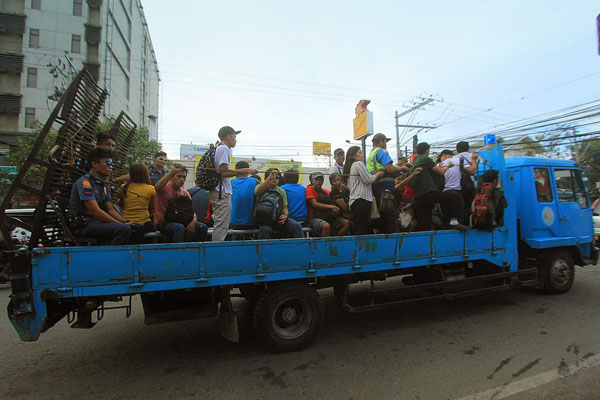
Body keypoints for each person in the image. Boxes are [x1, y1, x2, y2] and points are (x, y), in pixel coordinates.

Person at [69, 148, 137, 245]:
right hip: (85, 224)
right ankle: (113, 258)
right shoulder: (85, 183)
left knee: (136, 227)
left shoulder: (104, 184)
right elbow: (95, 211)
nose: (111, 167)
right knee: (123, 229)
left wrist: (126, 221)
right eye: (108, 164)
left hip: (98, 222)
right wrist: (120, 224)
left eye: (112, 164)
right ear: (94, 164)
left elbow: (110, 210)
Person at [211, 126, 258, 241]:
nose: (235, 139)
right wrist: (245, 170)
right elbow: (224, 172)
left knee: (221, 226)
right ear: (228, 136)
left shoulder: (219, 148)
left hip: (219, 191)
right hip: (222, 192)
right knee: (221, 227)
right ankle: (216, 253)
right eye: (234, 136)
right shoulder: (224, 148)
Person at [410, 142, 468, 232]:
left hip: (418, 196)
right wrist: (448, 166)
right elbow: (441, 172)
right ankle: (454, 221)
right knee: (455, 197)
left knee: (425, 222)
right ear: (427, 150)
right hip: (429, 192)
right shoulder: (425, 159)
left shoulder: (415, 161)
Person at [367, 133, 409, 233]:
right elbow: (389, 169)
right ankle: (395, 244)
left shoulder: (370, 155)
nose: (385, 144)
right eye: (385, 141)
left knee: (382, 219)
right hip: (386, 189)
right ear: (381, 141)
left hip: (376, 188)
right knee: (391, 219)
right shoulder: (382, 151)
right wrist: (402, 168)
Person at [154, 164, 208, 243]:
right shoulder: (164, 189)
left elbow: (192, 211)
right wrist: (171, 171)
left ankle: (197, 253)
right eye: (179, 176)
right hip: (164, 223)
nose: (182, 179)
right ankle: (178, 253)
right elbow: (157, 188)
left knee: (202, 227)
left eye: (184, 177)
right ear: (172, 177)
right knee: (179, 228)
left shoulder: (185, 193)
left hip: (182, 222)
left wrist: (194, 221)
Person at [344, 146, 384, 235]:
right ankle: (362, 247)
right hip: (362, 199)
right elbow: (369, 179)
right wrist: (378, 174)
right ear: (354, 155)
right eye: (360, 152)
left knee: (359, 227)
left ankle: (358, 247)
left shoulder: (351, 167)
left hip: (355, 201)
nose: (362, 155)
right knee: (363, 228)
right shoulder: (358, 164)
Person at [254, 168, 303, 239]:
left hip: (277, 218)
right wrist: (268, 180)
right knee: (265, 230)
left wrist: (285, 216)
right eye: (271, 177)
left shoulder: (281, 191)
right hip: (264, 220)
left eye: (276, 177)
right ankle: (265, 249)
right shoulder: (260, 187)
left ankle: (300, 248)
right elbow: (257, 192)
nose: (274, 179)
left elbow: (284, 207)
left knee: (296, 225)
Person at [306, 171, 350, 237]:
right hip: (313, 217)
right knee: (326, 226)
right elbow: (314, 204)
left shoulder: (326, 191)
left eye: (320, 180)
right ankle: (325, 246)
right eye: (316, 179)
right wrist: (331, 207)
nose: (318, 181)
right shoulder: (309, 189)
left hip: (327, 216)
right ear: (312, 180)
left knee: (346, 223)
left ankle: (336, 241)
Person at [117, 163, 156, 234]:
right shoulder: (151, 189)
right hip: (144, 222)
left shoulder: (123, 187)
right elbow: (152, 208)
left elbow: (121, 205)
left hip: (126, 221)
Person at [230, 160, 260, 229]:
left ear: (236, 170)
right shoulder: (255, 181)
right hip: (251, 221)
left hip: (233, 221)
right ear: (248, 169)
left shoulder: (231, 183)